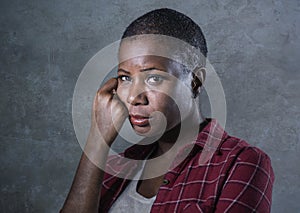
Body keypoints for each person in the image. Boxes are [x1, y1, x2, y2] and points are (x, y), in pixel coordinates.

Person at [61, 8, 274, 213]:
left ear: (195, 81)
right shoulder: (115, 169)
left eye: (154, 78)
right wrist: (98, 140)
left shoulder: (240, 164)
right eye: (125, 77)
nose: (134, 97)